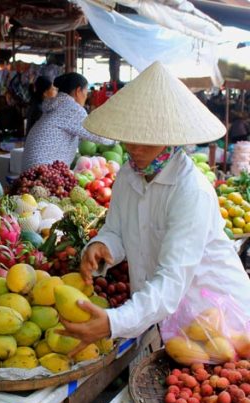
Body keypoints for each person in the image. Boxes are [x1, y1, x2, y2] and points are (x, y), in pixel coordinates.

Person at [56, 62, 250, 354]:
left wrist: (114, 322)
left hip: (216, 312)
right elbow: (117, 229)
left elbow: (172, 279)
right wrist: (101, 245)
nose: (135, 148)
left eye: (146, 139)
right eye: (131, 137)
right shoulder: (127, 174)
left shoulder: (190, 190)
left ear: (169, 136)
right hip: (166, 316)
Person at [22, 72, 114, 171]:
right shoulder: (71, 108)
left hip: (30, 172)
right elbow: (101, 137)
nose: (87, 96)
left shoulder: (56, 105)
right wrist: (118, 138)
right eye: (86, 92)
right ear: (78, 91)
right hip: (43, 174)